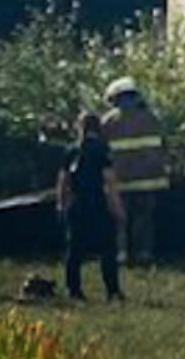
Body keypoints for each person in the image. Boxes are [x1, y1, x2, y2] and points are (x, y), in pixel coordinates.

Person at [58, 110, 126, 302]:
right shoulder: (102, 150)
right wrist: (117, 208)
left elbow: (63, 182)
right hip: (97, 203)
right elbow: (110, 181)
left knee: (74, 250)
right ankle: (112, 291)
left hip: (77, 204)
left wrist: (62, 204)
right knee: (108, 249)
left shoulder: (71, 151)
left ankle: (74, 290)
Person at [100, 77, 167, 265]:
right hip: (149, 179)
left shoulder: (108, 122)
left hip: (119, 181)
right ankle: (144, 253)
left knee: (119, 218)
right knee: (144, 219)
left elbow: (101, 152)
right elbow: (162, 147)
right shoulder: (152, 118)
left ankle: (121, 254)